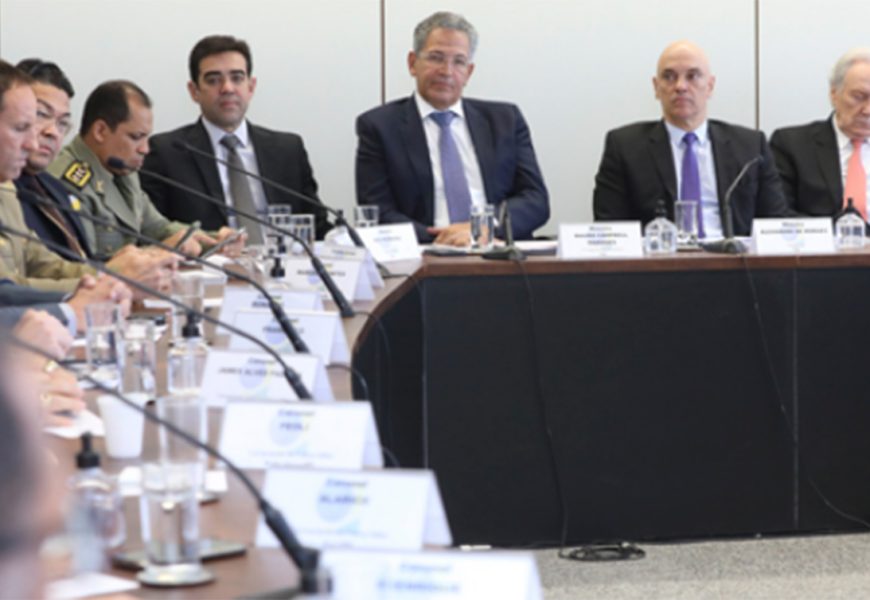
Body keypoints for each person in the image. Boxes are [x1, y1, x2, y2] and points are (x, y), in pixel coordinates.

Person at [355, 11, 549, 245]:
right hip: (425, 254)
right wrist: (446, 239)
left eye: (458, 61)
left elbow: (535, 200)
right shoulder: (379, 127)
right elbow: (378, 211)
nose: (447, 71)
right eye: (436, 58)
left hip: (497, 251)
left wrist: (484, 227)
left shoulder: (505, 120)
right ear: (412, 63)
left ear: (469, 72)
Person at [0, 63, 171, 296]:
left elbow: (45, 265)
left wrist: (114, 276)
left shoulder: (9, 191)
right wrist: (107, 286)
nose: (33, 142)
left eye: (62, 123)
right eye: (22, 127)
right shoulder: (33, 183)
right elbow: (5, 292)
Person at [142, 35, 328, 243]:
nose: (227, 88)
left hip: (282, 260)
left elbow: (318, 226)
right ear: (194, 91)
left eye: (237, 78)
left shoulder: (288, 150)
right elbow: (154, 233)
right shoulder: (166, 152)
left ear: (251, 86)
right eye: (213, 80)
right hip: (208, 262)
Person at [593, 40, 789, 237]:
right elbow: (610, 228)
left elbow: (775, 224)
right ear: (656, 87)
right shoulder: (625, 147)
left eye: (692, 76)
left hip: (731, 253)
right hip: (660, 254)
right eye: (669, 77)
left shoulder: (750, 147)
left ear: (710, 86)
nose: (680, 86)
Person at [47, 80, 223, 257]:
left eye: (146, 137)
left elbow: (159, 228)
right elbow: (83, 262)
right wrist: (159, 252)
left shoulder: (123, 170)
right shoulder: (67, 182)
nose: (145, 149)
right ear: (100, 131)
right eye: (136, 137)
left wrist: (216, 241)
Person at [770, 48, 870, 220]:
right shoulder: (792, 145)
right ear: (834, 94)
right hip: (822, 237)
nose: (867, 110)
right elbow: (779, 213)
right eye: (859, 97)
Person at [13, 59, 91, 259]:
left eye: (62, 123)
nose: (53, 132)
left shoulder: (57, 189)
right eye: (41, 114)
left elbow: (81, 261)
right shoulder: (6, 191)